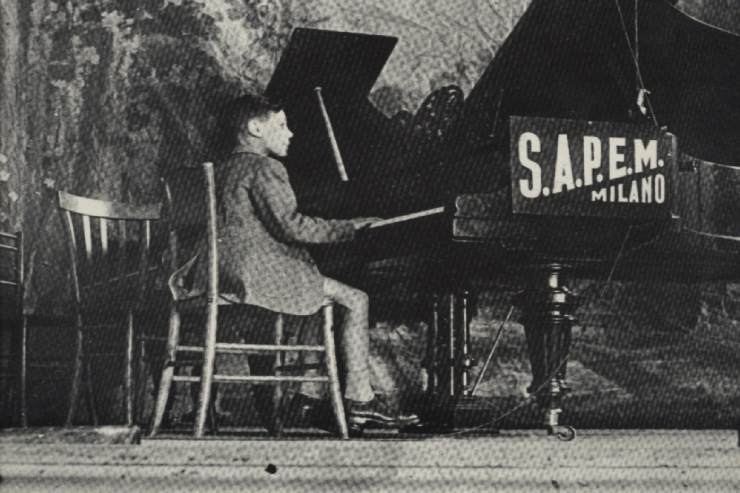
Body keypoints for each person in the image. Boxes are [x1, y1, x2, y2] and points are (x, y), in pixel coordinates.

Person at [205, 93, 419, 431]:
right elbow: (291, 226)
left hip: (218, 273)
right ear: (255, 128)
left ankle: (306, 398)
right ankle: (362, 400)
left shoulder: (220, 170)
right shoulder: (265, 167)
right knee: (356, 299)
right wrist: (351, 226)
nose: (290, 134)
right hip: (258, 274)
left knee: (317, 299)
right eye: (282, 125)